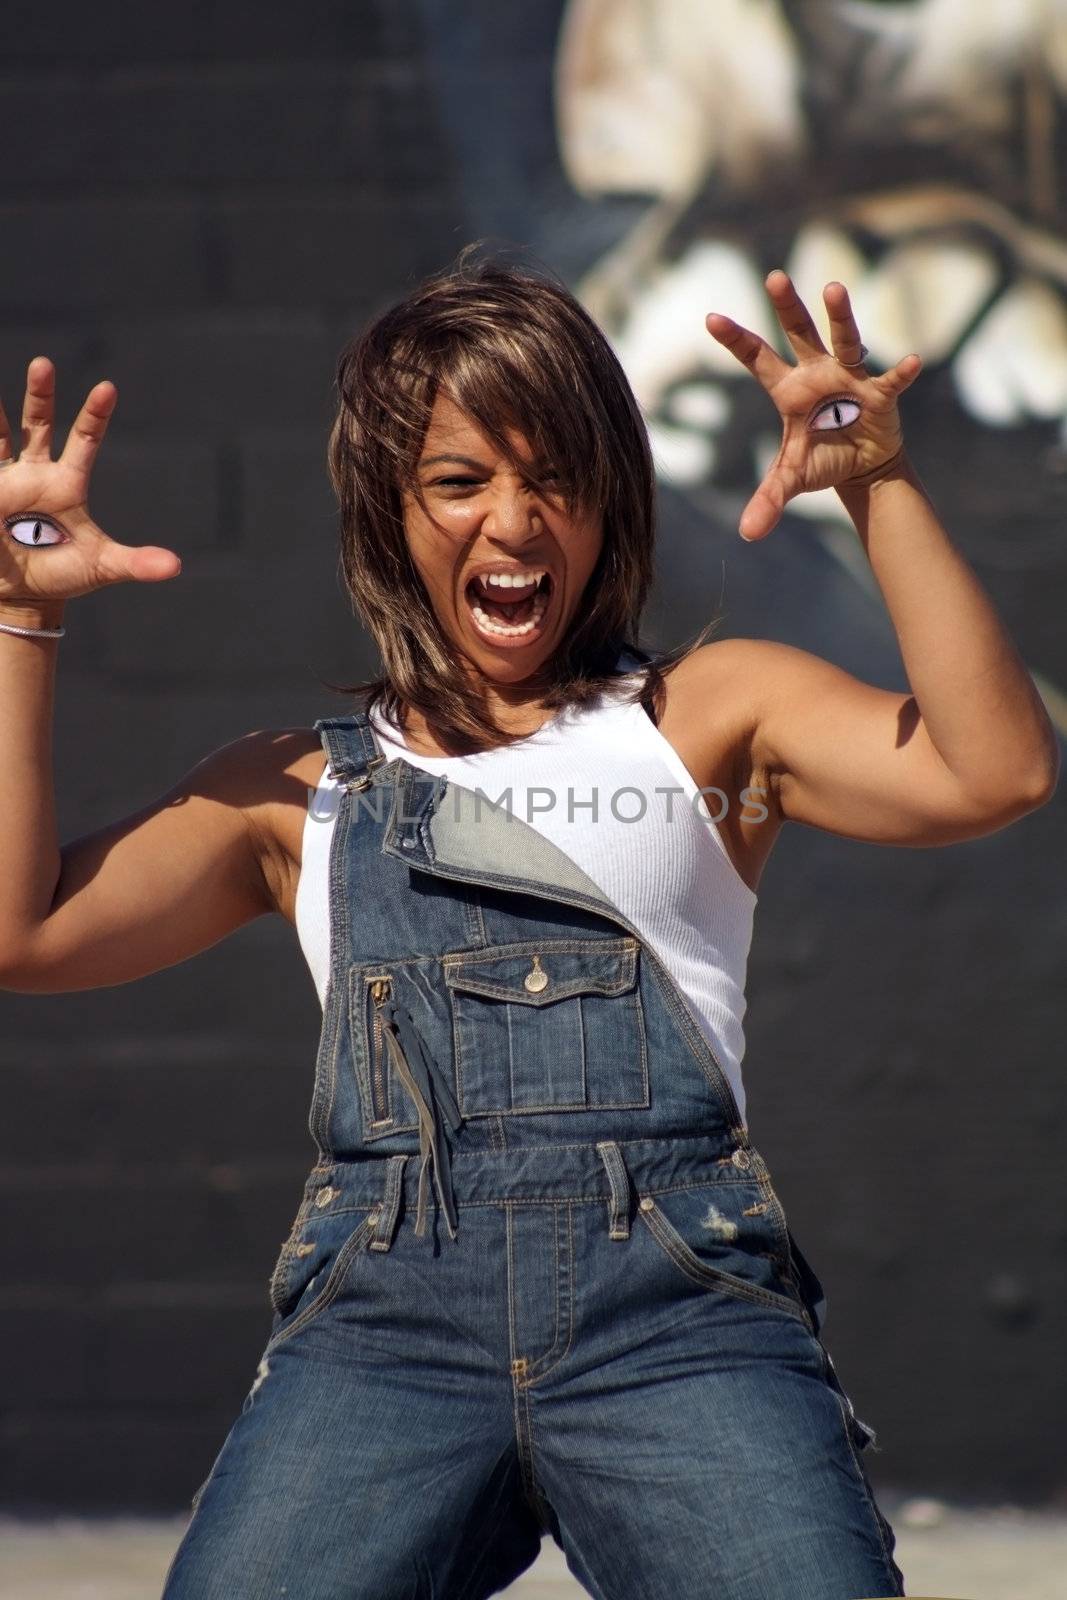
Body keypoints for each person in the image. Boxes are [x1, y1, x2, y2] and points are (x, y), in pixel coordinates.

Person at [0, 253, 1056, 1600]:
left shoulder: (711, 716)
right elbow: (21, 932)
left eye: (554, 476)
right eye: (460, 481)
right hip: (385, 1338)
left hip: (678, 1328)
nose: (514, 520)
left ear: (611, 504)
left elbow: (997, 770)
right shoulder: (289, 793)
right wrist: (19, 617)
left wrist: (879, 487)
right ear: (390, 513)